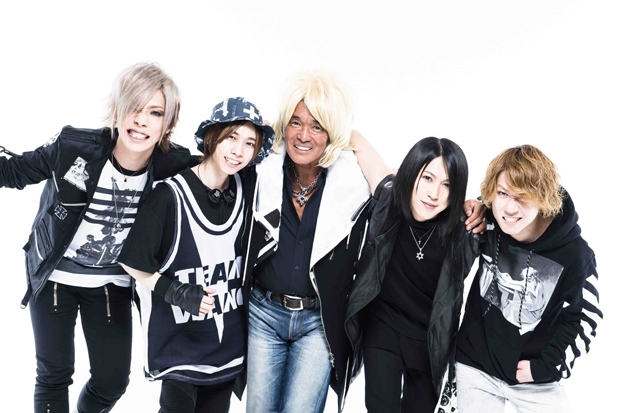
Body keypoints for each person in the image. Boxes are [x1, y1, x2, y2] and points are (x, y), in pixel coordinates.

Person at [0, 62, 197, 413]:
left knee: (112, 382)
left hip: (112, 282)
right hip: (55, 275)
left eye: (155, 112)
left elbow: (220, 169)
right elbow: (13, 171)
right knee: (54, 375)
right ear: (117, 110)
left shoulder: (174, 164)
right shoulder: (73, 147)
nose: (141, 120)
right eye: (134, 107)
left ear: (167, 124)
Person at [118, 97, 274, 413]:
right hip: (179, 345)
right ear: (212, 137)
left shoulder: (247, 188)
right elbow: (132, 261)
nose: (238, 151)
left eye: (249, 143)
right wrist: (176, 291)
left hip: (227, 348)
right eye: (231, 137)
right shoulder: (168, 195)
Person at [240, 70, 373, 413]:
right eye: (295, 123)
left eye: (317, 126)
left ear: (333, 133)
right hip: (263, 313)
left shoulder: (351, 182)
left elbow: (399, 190)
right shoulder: (263, 170)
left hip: (317, 322)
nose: (303, 135)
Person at [455, 145, 602, 412]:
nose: (510, 208)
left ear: (543, 198)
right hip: (475, 366)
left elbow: (585, 318)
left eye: (523, 197)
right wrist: (466, 208)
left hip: (533, 379)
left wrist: (545, 367)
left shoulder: (575, 254)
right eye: (502, 193)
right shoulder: (487, 221)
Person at [344, 136, 483, 413]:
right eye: (428, 178)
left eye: (447, 185)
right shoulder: (388, 200)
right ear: (411, 173)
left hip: (430, 339)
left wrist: (483, 206)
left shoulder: (465, 229)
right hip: (382, 327)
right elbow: (355, 139)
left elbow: (513, 212)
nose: (435, 194)